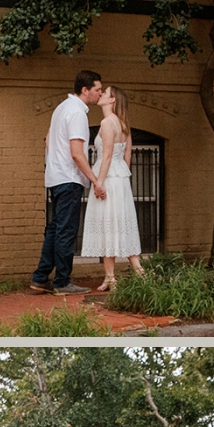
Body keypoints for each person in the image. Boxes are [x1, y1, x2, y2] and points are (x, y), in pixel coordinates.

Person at [31, 69, 104, 294]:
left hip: (55, 176)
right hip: (70, 178)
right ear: (85, 90)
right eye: (97, 90)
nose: (100, 94)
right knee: (66, 230)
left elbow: (48, 140)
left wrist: (56, 161)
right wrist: (94, 180)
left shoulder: (61, 108)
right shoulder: (77, 113)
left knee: (55, 228)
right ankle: (62, 282)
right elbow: (77, 152)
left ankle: (40, 278)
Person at [80, 83, 147, 293]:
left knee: (108, 223)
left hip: (108, 176)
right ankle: (130, 273)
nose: (100, 95)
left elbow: (107, 155)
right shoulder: (123, 124)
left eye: (105, 93)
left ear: (112, 100)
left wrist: (99, 182)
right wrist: (121, 176)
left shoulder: (107, 123)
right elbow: (127, 155)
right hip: (120, 178)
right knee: (117, 223)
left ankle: (113, 277)